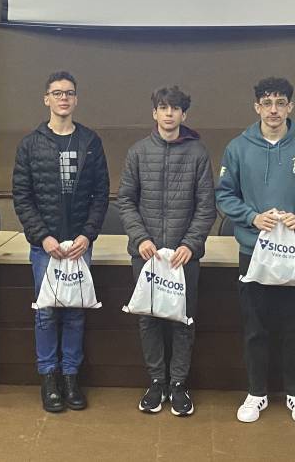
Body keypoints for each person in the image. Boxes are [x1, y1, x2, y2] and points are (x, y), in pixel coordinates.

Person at [216, 77, 295, 425]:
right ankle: (257, 393)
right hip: (254, 252)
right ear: (256, 107)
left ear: (290, 107)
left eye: (280, 103)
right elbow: (224, 195)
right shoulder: (238, 147)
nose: (273, 110)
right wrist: (252, 217)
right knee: (256, 328)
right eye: (266, 103)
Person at [12, 70, 109, 413]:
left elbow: (101, 195)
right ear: (46, 99)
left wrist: (87, 235)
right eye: (57, 93)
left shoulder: (90, 141)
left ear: (76, 99)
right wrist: (43, 237)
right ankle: (49, 378)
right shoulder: (30, 144)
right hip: (46, 248)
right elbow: (22, 197)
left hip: (80, 245)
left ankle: (70, 376)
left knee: (75, 313)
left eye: (68, 93)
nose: (63, 98)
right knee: (46, 314)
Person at [118, 86, 217, 417]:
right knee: (148, 320)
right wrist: (140, 238)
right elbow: (125, 200)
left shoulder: (198, 153)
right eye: (163, 107)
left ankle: (178, 384)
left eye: (175, 108)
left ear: (184, 114)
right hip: (146, 255)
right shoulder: (137, 152)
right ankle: (156, 382)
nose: (169, 113)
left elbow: (206, 206)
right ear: (155, 113)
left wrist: (190, 244)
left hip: (182, 257)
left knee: (182, 321)